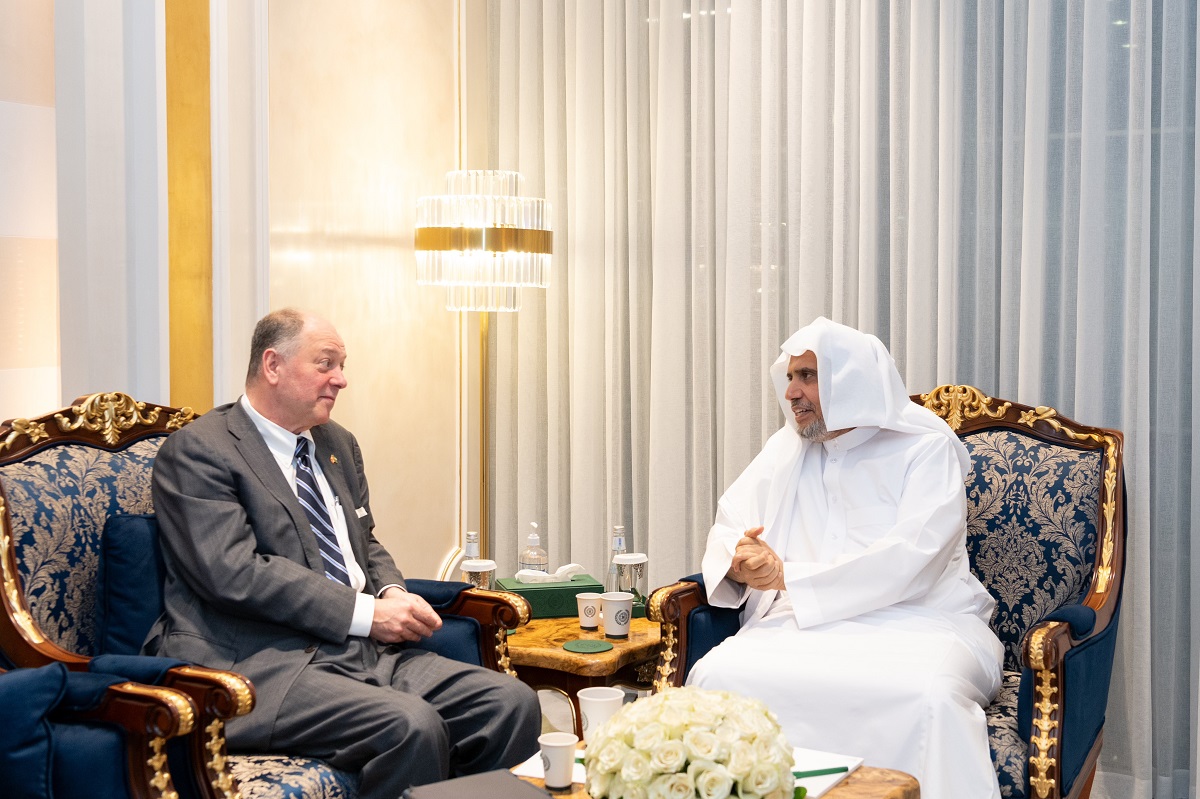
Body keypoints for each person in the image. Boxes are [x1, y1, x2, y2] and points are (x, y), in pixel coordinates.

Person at [144, 308, 541, 797]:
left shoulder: (335, 443)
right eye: (326, 364)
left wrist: (392, 591)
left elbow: (364, 539)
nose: (342, 379)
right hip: (258, 661)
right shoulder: (201, 451)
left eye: (342, 364)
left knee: (510, 702)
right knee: (409, 725)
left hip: (359, 651)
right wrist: (366, 613)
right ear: (273, 365)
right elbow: (233, 573)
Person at [687, 317, 1003, 799]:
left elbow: (913, 559)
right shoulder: (787, 449)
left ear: (851, 379)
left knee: (929, 696)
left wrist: (787, 575)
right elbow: (731, 521)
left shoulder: (925, 447)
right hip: (800, 624)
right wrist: (738, 557)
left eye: (807, 377)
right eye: (789, 377)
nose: (791, 391)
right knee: (717, 674)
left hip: (922, 623)